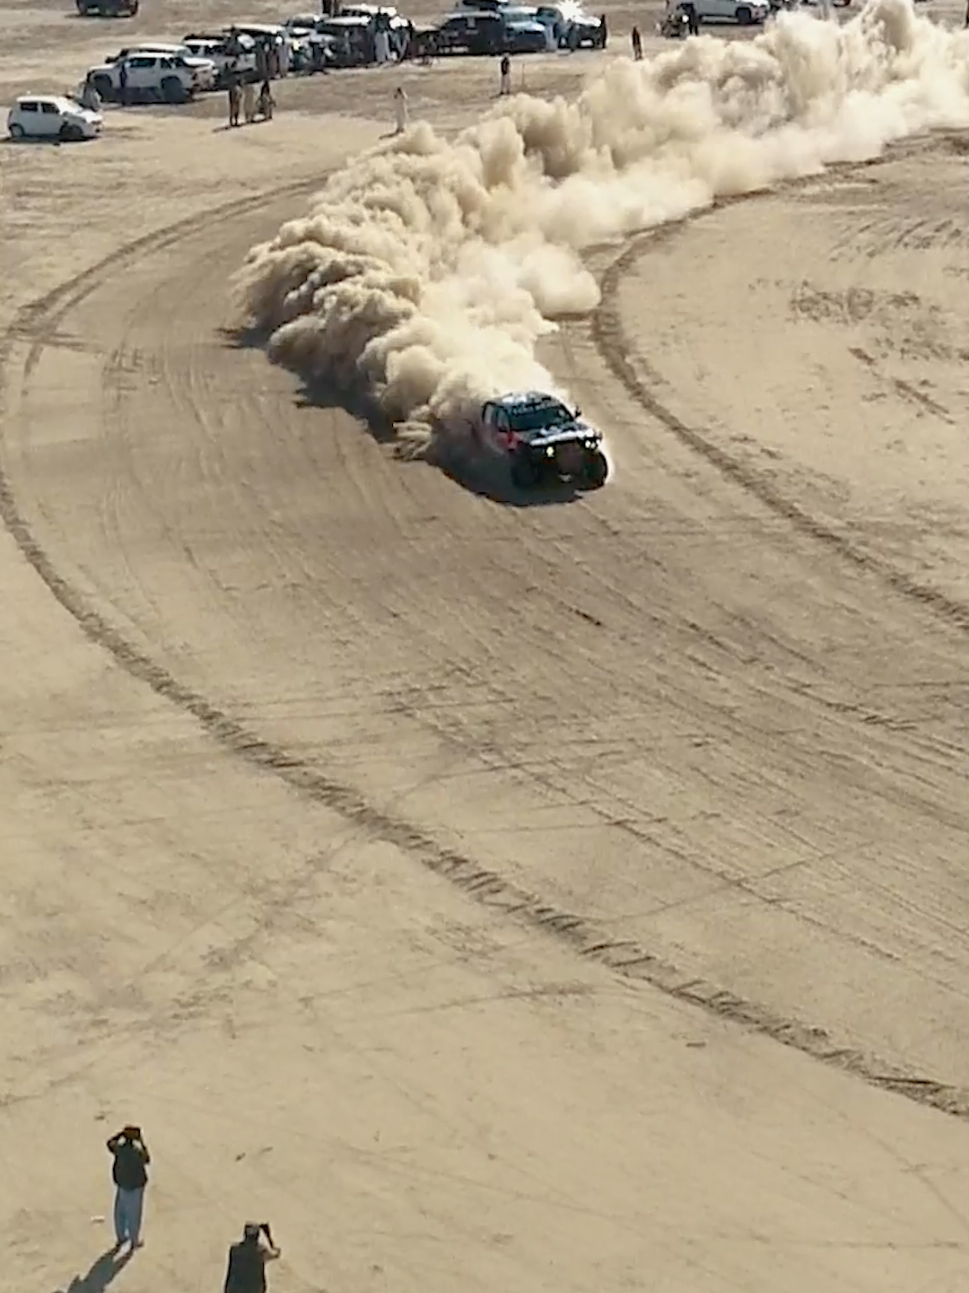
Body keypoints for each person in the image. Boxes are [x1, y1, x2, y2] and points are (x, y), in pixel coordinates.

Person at [106, 1125, 150, 1250]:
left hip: (122, 1184)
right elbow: (147, 1159)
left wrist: (121, 1134)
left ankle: (121, 1237)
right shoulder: (137, 1152)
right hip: (135, 1186)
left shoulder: (119, 1149)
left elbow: (109, 1143)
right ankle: (134, 1241)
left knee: (120, 1212)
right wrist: (142, 1142)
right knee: (134, 1215)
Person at [224, 1222, 281, 1293]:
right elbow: (276, 1253)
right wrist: (268, 1236)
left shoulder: (234, 1250)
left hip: (234, 1289)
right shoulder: (261, 1251)